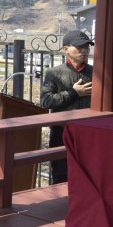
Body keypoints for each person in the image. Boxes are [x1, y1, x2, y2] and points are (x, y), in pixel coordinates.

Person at [39, 29, 93, 184]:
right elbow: (46, 101)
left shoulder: (96, 73)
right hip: (61, 132)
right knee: (61, 174)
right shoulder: (54, 73)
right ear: (66, 49)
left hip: (88, 132)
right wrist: (74, 93)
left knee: (86, 175)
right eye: (79, 47)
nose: (84, 50)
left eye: (87, 47)